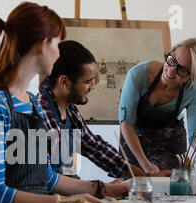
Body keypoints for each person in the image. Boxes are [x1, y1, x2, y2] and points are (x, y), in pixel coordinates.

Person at [0, 2, 129, 203]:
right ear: (43, 45)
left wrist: (101, 190)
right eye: (57, 43)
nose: (59, 51)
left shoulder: (31, 103)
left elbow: (46, 177)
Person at [38, 40, 169, 178]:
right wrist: (100, 189)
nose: (93, 87)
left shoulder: (70, 111)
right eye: (88, 82)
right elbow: (49, 180)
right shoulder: (41, 112)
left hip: (67, 191)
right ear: (65, 82)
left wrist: (145, 179)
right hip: (50, 196)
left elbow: (96, 148)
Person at [119, 38, 196, 174]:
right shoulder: (138, 75)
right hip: (134, 139)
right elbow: (126, 123)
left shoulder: (195, 89)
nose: (171, 71)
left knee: (174, 189)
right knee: (134, 189)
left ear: (194, 76)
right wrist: (145, 164)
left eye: (182, 70)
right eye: (172, 60)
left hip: (169, 141)